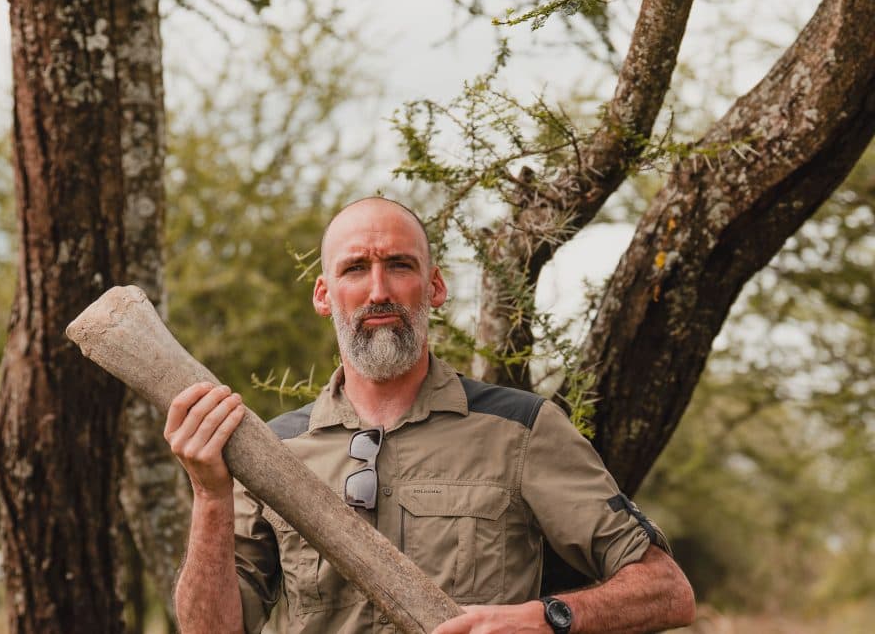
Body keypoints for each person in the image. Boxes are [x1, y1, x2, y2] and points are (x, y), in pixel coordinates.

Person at [166, 197, 696, 634]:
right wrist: (210, 495)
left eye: (399, 265)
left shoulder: (520, 430)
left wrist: (547, 618)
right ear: (325, 296)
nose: (379, 291)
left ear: (435, 287)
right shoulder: (272, 451)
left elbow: (668, 591)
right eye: (356, 268)